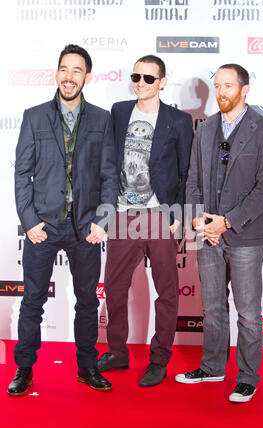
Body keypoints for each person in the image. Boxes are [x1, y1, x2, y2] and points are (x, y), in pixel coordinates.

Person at [8, 44, 118, 396]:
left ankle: (87, 366)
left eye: (77, 71)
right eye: (64, 69)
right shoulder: (34, 116)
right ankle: (24, 368)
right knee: (33, 301)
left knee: (87, 301)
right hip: (44, 226)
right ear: (57, 73)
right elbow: (22, 173)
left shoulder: (102, 119)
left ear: (87, 76)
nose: (69, 77)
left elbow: (109, 176)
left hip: (85, 228)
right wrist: (29, 222)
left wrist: (103, 220)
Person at [175, 64, 263, 403]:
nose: (221, 92)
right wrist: (197, 221)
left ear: (245, 89)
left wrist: (228, 221)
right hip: (208, 235)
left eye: (228, 86)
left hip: (245, 236)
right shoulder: (204, 130)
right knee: (212, 308)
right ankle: (212, 367)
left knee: (248, 312)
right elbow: (192, 181)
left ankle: (248, 376)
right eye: (217, 85)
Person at [97, 55, 194, 387]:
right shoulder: (120, 111)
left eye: (149, 78)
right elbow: (108, 162)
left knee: (166, 291)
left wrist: (179, 215)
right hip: (123, 214)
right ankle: (117, 352)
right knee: (114, 288)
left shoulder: (178, 120)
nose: (141, 83)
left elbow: (186, 172)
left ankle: (159, 359)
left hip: (159, 215)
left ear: (162, 82)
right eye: (136, 76)